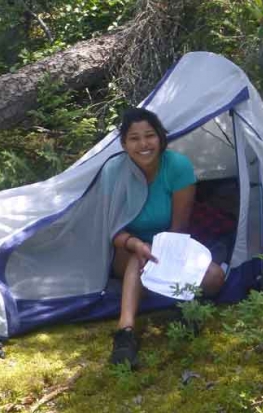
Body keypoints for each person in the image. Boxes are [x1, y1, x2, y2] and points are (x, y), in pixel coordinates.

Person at [109, 107, 226, 368]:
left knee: (215, 277)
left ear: (161, 138)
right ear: (124, 144)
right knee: (138, 258)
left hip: (168, 247)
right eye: (134, 138)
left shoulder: (177, 166)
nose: (143, 144)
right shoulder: (114, 172)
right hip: (126, 249)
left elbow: (179, 228)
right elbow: (112, 231)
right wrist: (137, 244)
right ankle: (124, 335)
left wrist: (165, 262)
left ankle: (180, 303)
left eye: (149, 135)